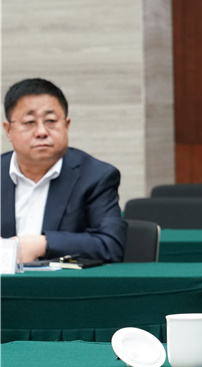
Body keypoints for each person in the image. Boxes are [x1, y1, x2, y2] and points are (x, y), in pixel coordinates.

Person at [1, 78, 127, 262]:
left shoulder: (96, 177)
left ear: (66, 125)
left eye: (51, 121)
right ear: (8, 130)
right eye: (29, 122)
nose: (41, 132)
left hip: (64, 280)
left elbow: (110, 245)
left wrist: (43, 245)